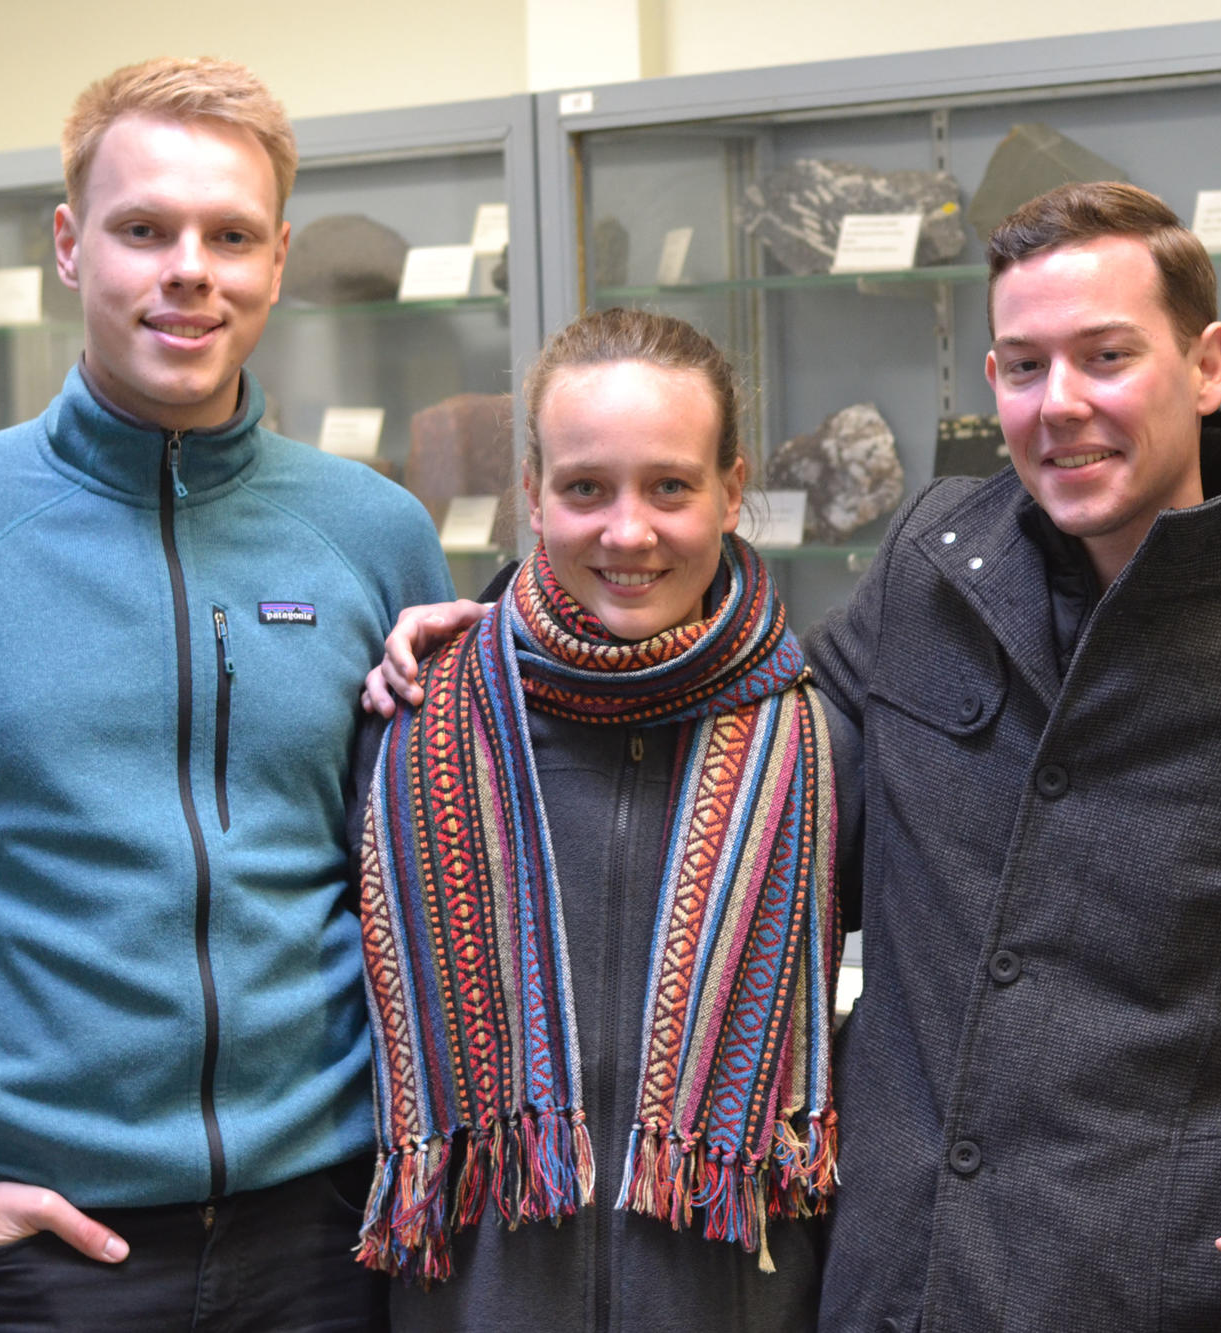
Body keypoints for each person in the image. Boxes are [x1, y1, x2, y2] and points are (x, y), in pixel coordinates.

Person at [368, 181, 1221, 1333]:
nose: (1058, 401)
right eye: (1024, 365)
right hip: (884, 1280)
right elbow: (754, 740)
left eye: (1105, 355)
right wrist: (511, 644)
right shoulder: (935, 560)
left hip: (1154, 1293)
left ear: (1207, 362)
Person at [0, 57, 451, 1330]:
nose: (188, 268)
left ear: (277, 258)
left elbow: (413, 870)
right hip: (50, 1246)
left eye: (229, 234)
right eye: (144, 229)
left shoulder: (374, 532)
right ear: (74, 246)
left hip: (328, 1237)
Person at [355, 307, 855, 1331]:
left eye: (668, 485)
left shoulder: (820, 745)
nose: (627, 531)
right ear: (532, 496)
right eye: (585, 487)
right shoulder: (413, 731)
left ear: (729, 490)